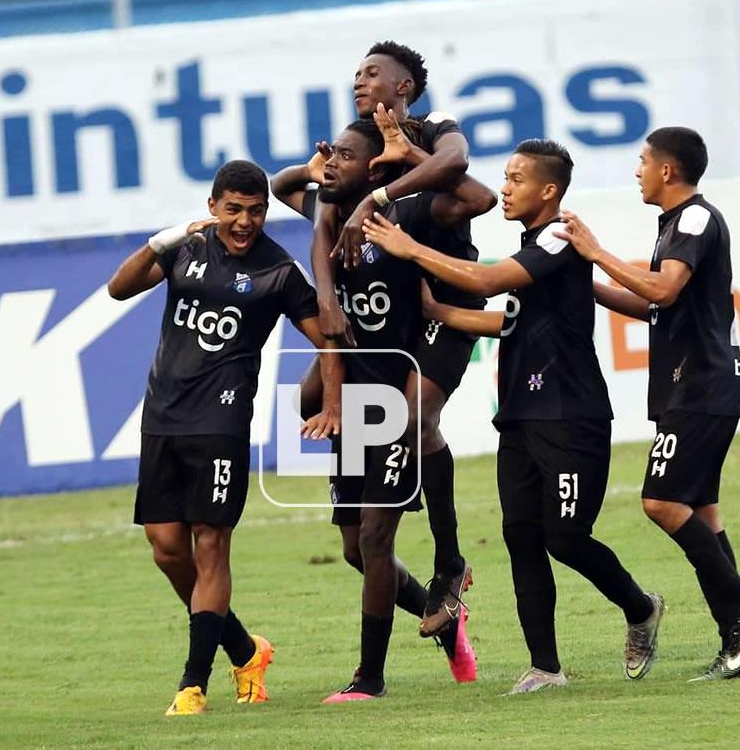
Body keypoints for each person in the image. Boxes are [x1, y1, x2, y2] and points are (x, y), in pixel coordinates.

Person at [362, 139, 664, 694]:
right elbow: (509, 321)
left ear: (548, 190)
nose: (504, 187)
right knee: (521, 536)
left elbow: (486, 282)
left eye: (516, 178)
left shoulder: (560, 235)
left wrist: (409, 248)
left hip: (571, 415)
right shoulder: (534, 246)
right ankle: (545, 668)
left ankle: (641, 607)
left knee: (566, 538)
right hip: (521, 416)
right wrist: (439, 312)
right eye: (504, 176)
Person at [107, 160, 343, 715]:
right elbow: (119, 289)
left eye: (256, 211)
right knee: (168, 551)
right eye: (234, 210)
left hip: (223, 423)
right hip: (162, 416)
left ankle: (193, 685)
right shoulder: (184, 250)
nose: (245, 222)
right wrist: (158, 243)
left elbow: (328, 337)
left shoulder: (278, 272)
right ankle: (243, 648)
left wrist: (331, 403)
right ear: (213, 207)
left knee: (210, 545)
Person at [273, 118, 493, 700]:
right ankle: (446, 623)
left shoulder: (407, 215)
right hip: (351, 397)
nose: (333, 160)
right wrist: (314, 168)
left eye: (346, 154)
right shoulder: (326, 206)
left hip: (393, 395)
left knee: (375, 539)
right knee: (353, 548)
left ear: (374, 167)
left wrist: (398, 169)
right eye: (333, 154)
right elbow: (278, 184)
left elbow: (476, 197)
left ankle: (369, 680)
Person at [553, 126, 740, 680]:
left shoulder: (695, 218)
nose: (637, 170)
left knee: (661, 502)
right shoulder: (675, 225)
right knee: (701, 511)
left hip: (701, 386)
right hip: (696, 387)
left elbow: (664, 289)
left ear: (668, 170)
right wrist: (585, 285)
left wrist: (596, 251)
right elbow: (655, 306)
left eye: (643, 161)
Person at [308, 40, 490, 638]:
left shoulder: (435, 129)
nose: (360, 80)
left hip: (450, 301)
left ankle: (448, 561)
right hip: (406, 311)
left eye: (373, 73)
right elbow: (309, 200)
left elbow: (468, 183)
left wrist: (384, 188)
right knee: (345, 407)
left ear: (404, 86)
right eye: (356, 72)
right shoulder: (354, 150)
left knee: (410, 420)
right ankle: (446, 566)